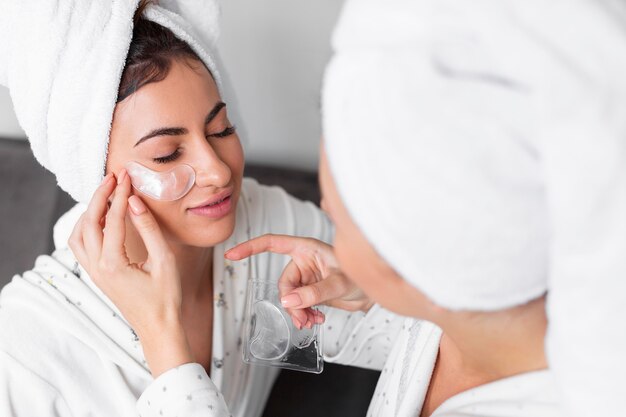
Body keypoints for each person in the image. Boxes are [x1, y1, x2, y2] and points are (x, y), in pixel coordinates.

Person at [69, 1, 626, 417]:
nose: (221, 173)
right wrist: (370, 298)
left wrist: (167, 348)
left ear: (411, 248)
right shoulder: (456, 316)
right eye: (167, 153)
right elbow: (420, 342)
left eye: (340, 209)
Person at [0, 1, 402, 416]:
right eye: (166, 154)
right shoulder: (23, 351)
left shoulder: (266, 230)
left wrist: (371, 296)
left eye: (220, 129)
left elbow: (438, 346)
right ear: (93, 177)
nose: (218, 171)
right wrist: (163, 335)